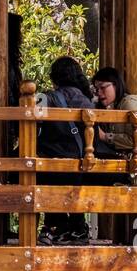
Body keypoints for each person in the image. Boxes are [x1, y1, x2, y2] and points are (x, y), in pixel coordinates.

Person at [37, 55, 111, 245]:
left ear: (54, 78)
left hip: (50, 163)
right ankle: (77, 229)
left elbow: (32, 125)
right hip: (81, 162)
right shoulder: (87, 101)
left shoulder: (47, 98)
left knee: (44, 177)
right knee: (70, 184)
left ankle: (57, 227)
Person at [92, 66, 137, 186]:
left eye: (102, 87)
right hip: (126, 162)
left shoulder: (130, 102)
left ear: (116, 85)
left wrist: (105, 136)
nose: (99, 93)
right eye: (96, 89)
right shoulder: (113, 106)